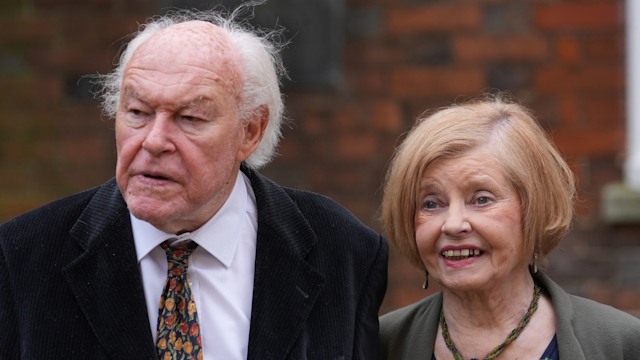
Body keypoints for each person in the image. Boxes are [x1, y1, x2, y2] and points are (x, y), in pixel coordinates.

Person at [0, 7, 388, 360]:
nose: (153, 141)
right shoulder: (24, 255)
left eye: (190, 118)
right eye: (138, 112)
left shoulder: (344, 250)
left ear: (250, 130)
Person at [378, 96, 640, 359]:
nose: (453, 224)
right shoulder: (379, 345)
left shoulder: (621, 344)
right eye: (431, 204)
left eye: (481, 199)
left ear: (533, 208)